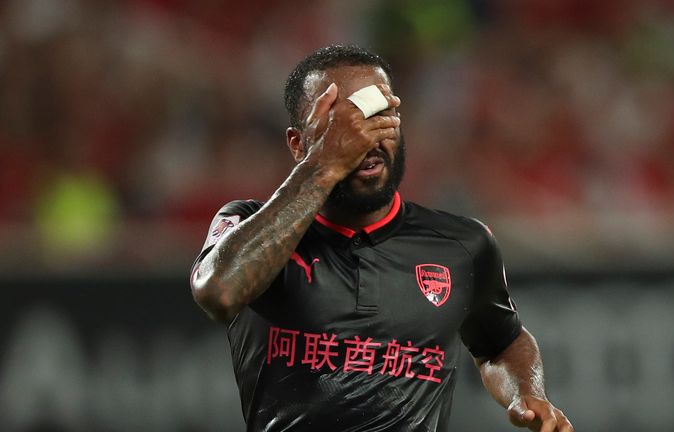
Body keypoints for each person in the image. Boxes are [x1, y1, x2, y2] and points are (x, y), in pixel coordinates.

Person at [190, 44, 573, 432]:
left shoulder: (462, 245)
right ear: (298, 144)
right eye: (340, 124)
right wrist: (324, 164)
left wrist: (527, 391)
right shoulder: (247, 225)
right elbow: (219, 292)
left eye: (378, 115)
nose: (364, 137)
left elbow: (501, 342)